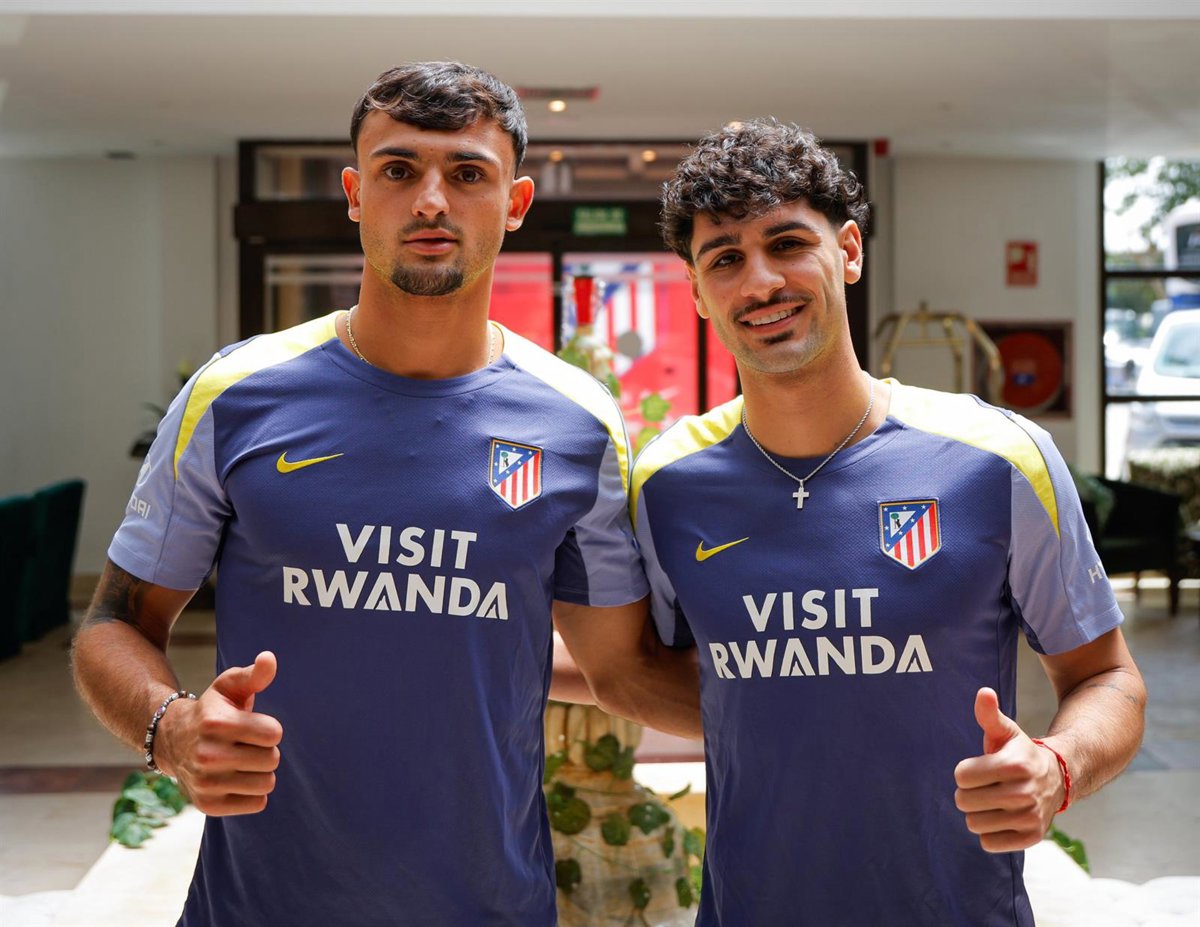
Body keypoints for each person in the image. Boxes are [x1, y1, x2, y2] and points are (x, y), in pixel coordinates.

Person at [72, 61, 697, 927]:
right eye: (399, 169)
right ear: (355, 194)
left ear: (515, 202)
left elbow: (622, 670)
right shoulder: (237, 393)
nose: (432, 201)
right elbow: (112, 623)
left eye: (467, 173)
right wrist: (171, 726)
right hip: (259, 908)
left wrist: (841, 709)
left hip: (490, 907)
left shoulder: (577, 422)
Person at [630, 118, 1147, 926]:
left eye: (787, 243)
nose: (760, 281)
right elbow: (640, 668)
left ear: (849, 250)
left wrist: (1056, 764)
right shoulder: (666, 485)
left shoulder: (997, 458)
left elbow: (1108, 677)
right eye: (725, 258)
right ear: (698, 293)